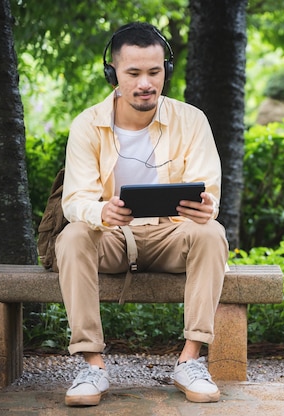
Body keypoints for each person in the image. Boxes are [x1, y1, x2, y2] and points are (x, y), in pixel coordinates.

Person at [56, 22, 229, 407]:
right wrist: (103, 210)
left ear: (166, 70)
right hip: (112, 237)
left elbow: (208, 191)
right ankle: (92, 366)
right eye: (133, 73)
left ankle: (191, 361)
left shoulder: (192, 120)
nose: (145, 83)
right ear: (112, 74)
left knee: (211, 232)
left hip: (172, 234)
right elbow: (75, 201)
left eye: (154, 71)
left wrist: (206, 206)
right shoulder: (87, 124)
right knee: (72, 235)